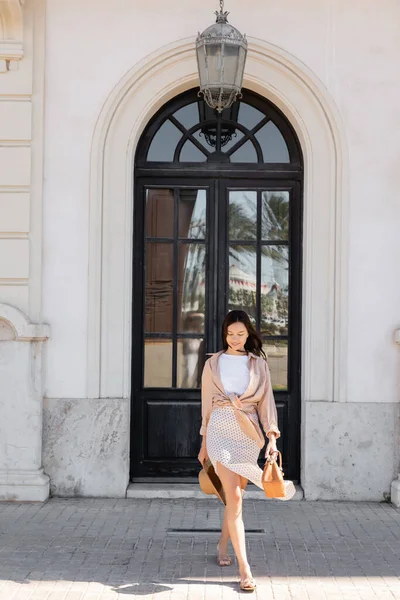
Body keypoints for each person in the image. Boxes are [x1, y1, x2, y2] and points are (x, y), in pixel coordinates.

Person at [197, 310, 280, 593]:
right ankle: (245, 570)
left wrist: (272, 437)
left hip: (248, 433)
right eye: (230, 334)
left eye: (241, 334)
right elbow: (206, 406)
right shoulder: (213, 364)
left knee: (237, 498)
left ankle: (223, 544)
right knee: (233, 496)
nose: (235, 339)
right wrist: (204, 442)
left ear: (249, 334)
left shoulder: (258, 364)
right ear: (225, 334)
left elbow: (266, 402)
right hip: (220, 429)